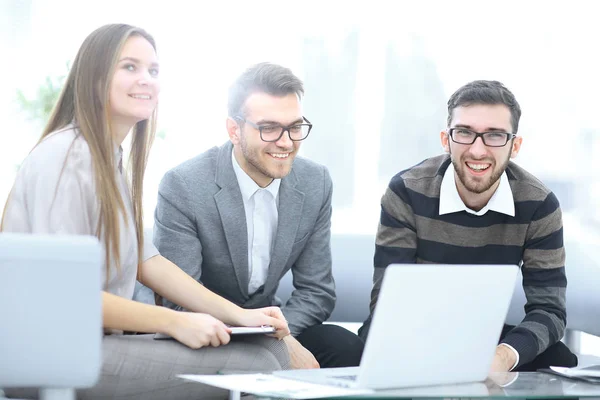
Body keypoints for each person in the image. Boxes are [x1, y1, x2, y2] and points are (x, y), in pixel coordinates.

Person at [1, 24, 290, 399]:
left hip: (86, 346)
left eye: (153, 71)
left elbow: (146, 261)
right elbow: (65, 294)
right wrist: (175, 322)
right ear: (93, 78)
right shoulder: (68, 157)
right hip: (50, 355)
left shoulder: (106, 158)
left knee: (271, 350)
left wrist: (240, 315)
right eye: (130, 67)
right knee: (260, 366)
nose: (147, 80)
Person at [153, 62, 364, 368]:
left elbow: (317, 291)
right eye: (268, 128)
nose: (287, 142)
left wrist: (280, 334)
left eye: (294, 127)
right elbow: (180, 300)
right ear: (234, 131)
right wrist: (273, 343)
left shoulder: (315, 181)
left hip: (273, 323)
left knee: (341, 345)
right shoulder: (184, 185)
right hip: (203, 330)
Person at [359, 80, 577, 372]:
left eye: (495, 135)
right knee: (352, 346)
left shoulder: (539, 204)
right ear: (445, 139)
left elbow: (549, 310)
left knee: (558, 359)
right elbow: (386, 303)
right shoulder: (406, 191)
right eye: (464, 133)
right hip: (407, 332)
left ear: (515, 146)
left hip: (484, 337)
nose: (478, 150)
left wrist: (502, 357)